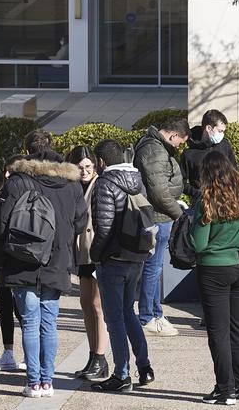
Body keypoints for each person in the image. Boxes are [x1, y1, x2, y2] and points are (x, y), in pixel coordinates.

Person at [0, 129, 88, 397]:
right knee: (49, 322)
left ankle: (33, 382)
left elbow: (1, 224)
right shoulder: (71, 184)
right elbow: (81, 222)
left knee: (30, 322)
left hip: (23, 259)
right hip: (57, 260)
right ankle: (48, 381)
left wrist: (0, 260)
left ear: (27, 150)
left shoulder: (18, 181)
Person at [189, 152, 239, 405]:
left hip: (214, 269)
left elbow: (199, 243)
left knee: (218, 331)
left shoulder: (206, 201)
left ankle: (224, 388)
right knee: (238, 326)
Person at [89, 139, 155, 393]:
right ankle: (145, 366)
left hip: (114, 259)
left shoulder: (106, 183)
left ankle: (121, 374)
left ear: (101, 161)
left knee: (114, 319)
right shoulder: (137, 180)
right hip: (137, 255)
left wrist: (95, 255)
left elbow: (104, 227)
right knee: (129, 313)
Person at [133, 118, 190, 336]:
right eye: (179, 143)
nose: (179, 147)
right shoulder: (155, 151)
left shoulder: (154, 146)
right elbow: (159, 192)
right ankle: (149, 316)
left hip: (160, 216)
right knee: (152, 269)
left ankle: (155, 313)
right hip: (158, 217)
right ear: (173, 135)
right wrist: (179, 214)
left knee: (154, 269)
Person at [65, 145, 109, 381]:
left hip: (96, 251)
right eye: (79, 167)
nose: (84, 171)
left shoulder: (99, 185)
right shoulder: (73, 187)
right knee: (85, 302)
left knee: (97, 305)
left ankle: (101, 357)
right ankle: (93, 355)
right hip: (82, 252)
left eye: (88, 167)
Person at [0, 154, 27, 372]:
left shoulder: (24, 195)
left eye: (12, 171)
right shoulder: (0, 195)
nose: (7, 175)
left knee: (23, 309)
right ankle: (8, 352)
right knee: (5, 307)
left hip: (17, 260)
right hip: (0, 260)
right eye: (6, 171)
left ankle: (31, 354)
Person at [181, 109, 239, 201]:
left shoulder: (224, 145)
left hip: (226, 201)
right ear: (209, 128)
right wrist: (197, 193)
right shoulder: (189, 153)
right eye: (220, 131)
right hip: (202, 203)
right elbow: (181, 183)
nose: (222, 134)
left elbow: (235, 173)